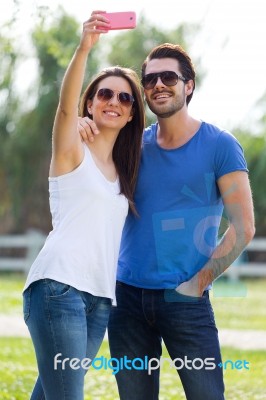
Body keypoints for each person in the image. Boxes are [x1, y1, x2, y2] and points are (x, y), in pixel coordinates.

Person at [79, 43, 255, 400]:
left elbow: (244, 227)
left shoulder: (221, 145)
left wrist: (198, 282)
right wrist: (84, 125)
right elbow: (83, 170)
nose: (159, 84)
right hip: (125, 301)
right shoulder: (131, 146)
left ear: (188, 85)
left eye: (169, 77)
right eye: (150, 79)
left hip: (186, 301)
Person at [22, 11, 145, 400]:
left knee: (50, 394)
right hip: (59, 288)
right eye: (104, 94)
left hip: (98, 302)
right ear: (89, 103)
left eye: (124, 98)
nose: (114, 102)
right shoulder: (71, 151)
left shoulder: (126, 170)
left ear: (130, 114)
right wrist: (84, 48)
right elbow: (63, 110)